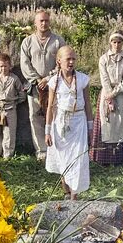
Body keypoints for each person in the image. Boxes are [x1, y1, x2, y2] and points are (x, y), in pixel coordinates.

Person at [44, 45, 93, 199]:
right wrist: (47, 130)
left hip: (79, 122)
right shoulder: (54, 82)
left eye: (73, 59)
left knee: (77, 159)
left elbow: (88, 105)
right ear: (59, 61)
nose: (71, 62)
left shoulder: (82, 80)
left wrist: (91, 128)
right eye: (68, 59)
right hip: (60, 124)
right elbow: (50, 107)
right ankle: (66, 191)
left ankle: (74, 195)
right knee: (63, 158)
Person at [19, 10, 65, 162]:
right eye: (41, 21)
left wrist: (49, 78)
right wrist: (37, 80)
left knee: (55, 115)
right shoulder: (27, 42)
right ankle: (41, 151)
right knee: (35, 117)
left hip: (54, 85)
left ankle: (56, 148)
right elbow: (24, 64)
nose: (44, 23)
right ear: (35, 23)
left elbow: (63, 62)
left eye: (46, 20)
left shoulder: (58, 41)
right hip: (34, 86)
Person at [93, 31, 123, 166]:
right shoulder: (104, 59)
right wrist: (109, 97)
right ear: (110, 43)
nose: (116, 45)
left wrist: (115, 93)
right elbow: (104, 79)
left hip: (122, 94)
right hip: (107, 93)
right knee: (108, 124)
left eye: (119, 42)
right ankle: (106, 159)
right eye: (114, 42)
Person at [0, 55, 24, 161]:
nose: (3, 68)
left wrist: (14, 101)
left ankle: (7, 156)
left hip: (10, 108)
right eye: (1, 66)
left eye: (5, 66)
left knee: (9, 133)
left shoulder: (14, 79)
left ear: (9, 65)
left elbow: (22, 93)